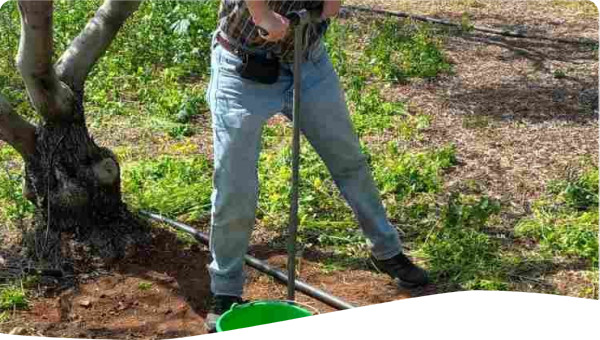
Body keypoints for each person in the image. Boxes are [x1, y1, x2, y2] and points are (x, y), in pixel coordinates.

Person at [204, 0, 428, 332]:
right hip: (242, 65)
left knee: (348, 159)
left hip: (308, 63)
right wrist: (262, 14)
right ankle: (225, 290)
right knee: (235, 186)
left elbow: (331, 8)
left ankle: (386, 251)